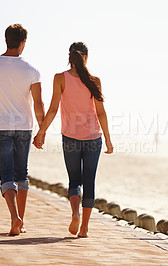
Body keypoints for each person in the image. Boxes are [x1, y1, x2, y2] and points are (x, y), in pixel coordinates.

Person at [33, 42, 113, 238]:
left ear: (69, 56)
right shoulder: (95, 80)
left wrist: (41, 132)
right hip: (94, 138)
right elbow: (101, 113)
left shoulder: (60, 78)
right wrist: (109, 141)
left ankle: (75, 213)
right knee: (89, 181)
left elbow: (52, 110)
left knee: (74, 180)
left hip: (70, 137)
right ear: (86, 57)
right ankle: (84, 228)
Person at [0, 24, 45, 236]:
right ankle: (21, 222)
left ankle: (14, 218)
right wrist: (41, 131)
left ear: (6, 40)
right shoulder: (32, 70)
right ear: (23, 42)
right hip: (24, 127)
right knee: (21, 173)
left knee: (6, 174)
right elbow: (39, 104)